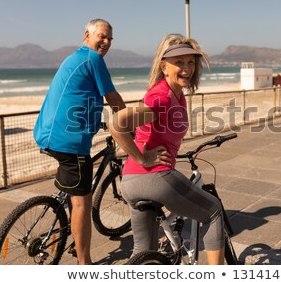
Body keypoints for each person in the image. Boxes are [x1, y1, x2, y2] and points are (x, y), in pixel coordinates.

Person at [109, 34, 225, 264]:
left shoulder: (174, 94)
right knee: (213, 212)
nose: (187, 68)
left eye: (190, 62)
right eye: (179, 62)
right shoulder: (161, 98)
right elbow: (117, 124)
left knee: (143, 253)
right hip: (154, 177)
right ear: (164, 66)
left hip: (131, 182)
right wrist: (143, 158)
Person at [33, 18, 126, 265]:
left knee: (75, 193)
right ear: (87, 34)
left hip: (49, 134)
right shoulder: (93, 59)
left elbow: (82, 95)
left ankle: (76, 239)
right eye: (102, 36)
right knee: (83, 202)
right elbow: (114, 99)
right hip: (69, 142)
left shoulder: (76, 58)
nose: (106, 42)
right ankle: (84, 264)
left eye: (110, 39)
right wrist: (129, 125)